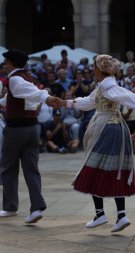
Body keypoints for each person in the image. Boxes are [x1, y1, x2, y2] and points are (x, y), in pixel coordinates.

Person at [60, 55, 135, 233]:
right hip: (113, 127)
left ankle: (102, 214)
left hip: (107, 128)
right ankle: (119, 215)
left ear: (100, 69)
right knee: (114, 170)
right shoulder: (103, 84)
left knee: (94, 167)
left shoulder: (108, 84)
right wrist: (66, 102)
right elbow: (89, 102)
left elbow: (126, 95)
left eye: (94, 67)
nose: (92, 71)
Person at [0, 49, 60, 223]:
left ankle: (10, 207)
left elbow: (34, 94)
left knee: (8, 168)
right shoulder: (28, 78)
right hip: (32, 129)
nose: (5, 65)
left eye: (6, 62)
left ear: (10, 63)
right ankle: (36, 208)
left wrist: (46, 98)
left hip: (16, 130)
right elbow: (14, 99)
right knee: (31, 169)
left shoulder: (15, 79)